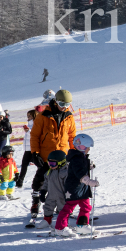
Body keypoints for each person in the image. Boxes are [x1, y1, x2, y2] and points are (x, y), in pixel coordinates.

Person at [29, 89, 77, 225]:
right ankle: (35, 204)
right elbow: (34, 136)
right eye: (62, 103)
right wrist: (35, 153)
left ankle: (65, 208)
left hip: (63, 157)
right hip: (46, 157)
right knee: (41, 180)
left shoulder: (69, 116)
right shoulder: (43, 115)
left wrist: (74, 152)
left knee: (64, 182)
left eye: (67, 104)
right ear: (55, 101)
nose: (64, 107)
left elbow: (72, 136)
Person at [53, 134, 98, 237]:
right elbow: (79, 173)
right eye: (88, 147)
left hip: (82, 188)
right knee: (68, 208)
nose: (89, 149)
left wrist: (89, 166)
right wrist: (89, 181)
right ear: (81, 147)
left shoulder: (81, 157)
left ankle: (82, 226)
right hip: (74, 188)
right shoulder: (76, 158)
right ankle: (60, 228)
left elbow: (82, 168)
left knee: (86, 206)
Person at [35, 150, 69, 230]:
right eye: (49, 163)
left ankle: (64, 222)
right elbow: (46, 182)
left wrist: (67, 194)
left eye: (53, 164)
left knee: (63, 209)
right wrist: (43, 191)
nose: (51, 166)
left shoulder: (65, 172)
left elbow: (68, 185)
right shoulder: (49, 172)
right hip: (51, 195)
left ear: (62, 162)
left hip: (62, 196)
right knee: (47, 207)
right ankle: (47, 220)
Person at [16, 110, 35, 187]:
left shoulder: (36, 123)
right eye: (28, 116)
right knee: (24, 164)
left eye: (29, 116)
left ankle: (43, 179)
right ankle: (20, 181)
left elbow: (35, 134)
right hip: (28, 149)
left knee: (40, 165)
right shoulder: (29, 124)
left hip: (34, 148)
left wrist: (29, 131)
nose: (28, 117)